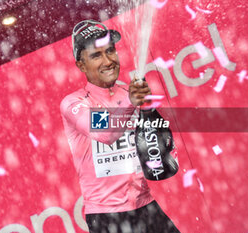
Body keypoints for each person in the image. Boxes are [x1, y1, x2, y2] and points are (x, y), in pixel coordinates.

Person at [60, 19, 180, 233]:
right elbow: (105, 132)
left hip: (146, 206)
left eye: (110, 51)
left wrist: (151, 120)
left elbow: (163, 159)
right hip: (107, 217)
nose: (107, 61)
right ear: (81, 65)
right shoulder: (74, 103)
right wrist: (132, 102)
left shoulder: (129, 95)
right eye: (96, 55)